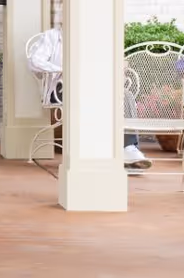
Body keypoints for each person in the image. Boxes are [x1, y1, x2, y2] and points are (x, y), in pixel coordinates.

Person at [29, 29, 152, 172]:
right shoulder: (53, 36)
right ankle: (116, 153)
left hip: (93, 88)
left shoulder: (91, 35)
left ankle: (129, 149)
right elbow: (34, 62)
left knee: (125, 94)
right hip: (62, 89)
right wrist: (63, 70)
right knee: (99, 98)